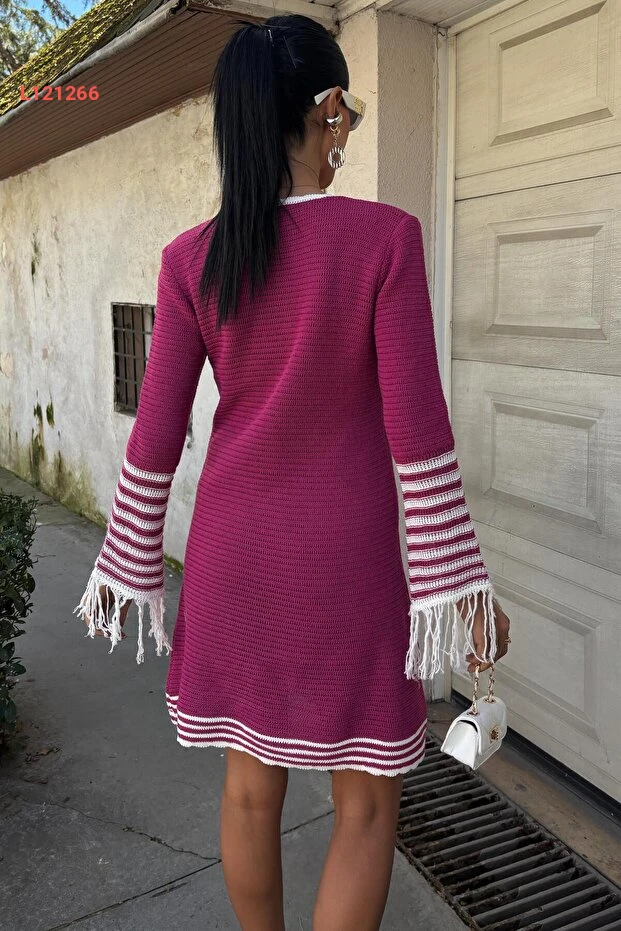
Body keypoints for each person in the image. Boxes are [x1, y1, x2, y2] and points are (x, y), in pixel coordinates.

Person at [74, 13, 511, 931]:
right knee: (367, 800)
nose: (348, 131)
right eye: (349, 114)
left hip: (233, 561)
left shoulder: (192, 258)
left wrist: (126, 564)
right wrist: (459, 591)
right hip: (346, 568)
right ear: (325, 109)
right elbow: (418, 435)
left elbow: (154, 436)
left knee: (247, 788)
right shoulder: (385, 239)